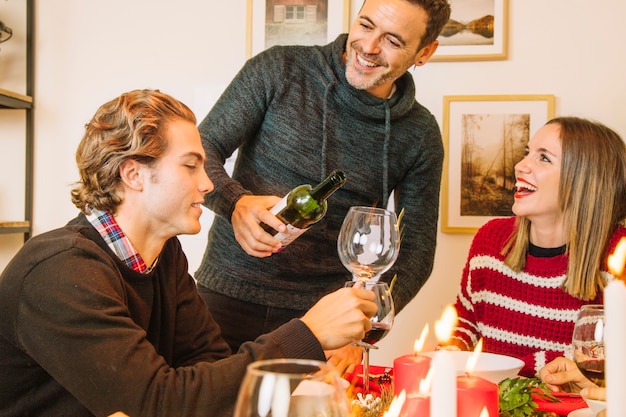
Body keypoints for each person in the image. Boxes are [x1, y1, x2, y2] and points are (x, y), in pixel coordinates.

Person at [0, 89, 378, 417]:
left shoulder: (164, 255)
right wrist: (308, 334)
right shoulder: (60, 271)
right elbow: (156, 405)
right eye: (190, 166)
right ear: (134, 174)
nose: (208, 183)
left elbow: (210, 370)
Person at [194, 0, 452, 373]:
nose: (368, 46)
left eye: (393, 41)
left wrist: (363, 328)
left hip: (323, 323)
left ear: (424, 53)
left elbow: (416, 250)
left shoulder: (420, 134)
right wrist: (235, 203)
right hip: (224, 298)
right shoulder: (278, 68)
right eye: (366, 25)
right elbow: (202, 151)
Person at [442, 117, 626, 377]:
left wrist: (524, 367)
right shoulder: (491, 240)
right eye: (528, 153)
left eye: (544, 158)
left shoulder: (619, 254)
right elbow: (466, 318)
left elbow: (609, 360)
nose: (520, 166)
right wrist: (450, 351)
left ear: (584, 180)